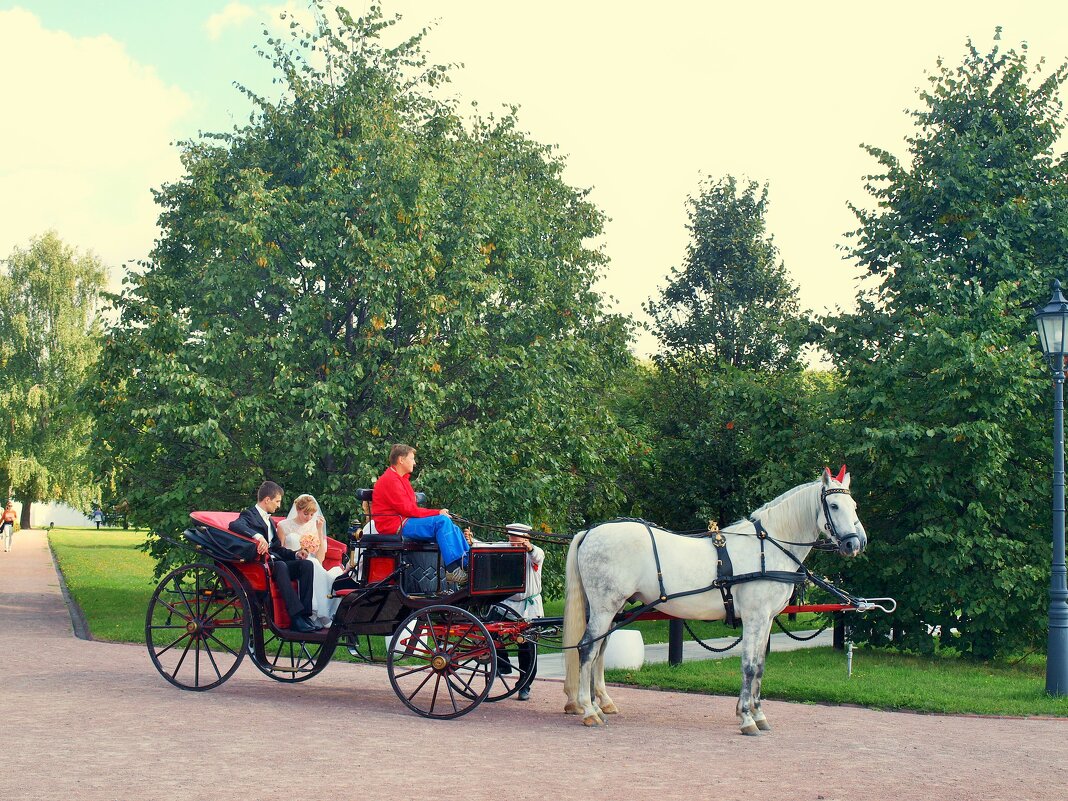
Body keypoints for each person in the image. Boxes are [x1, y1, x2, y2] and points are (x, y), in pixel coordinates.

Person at [371, 444, 471, 585]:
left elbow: (410, 509)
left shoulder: (401, 479)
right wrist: (437, 512)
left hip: (404, 521)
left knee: (452, 527)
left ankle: (468, 563)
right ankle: (452, 569)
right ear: (401, 460)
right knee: (441, 521)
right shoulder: (390, 480)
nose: (414, 462)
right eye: (412, 459)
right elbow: (409, 510)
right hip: (395, 525)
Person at [230, 480, 321, 633]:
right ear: (267, 500)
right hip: (260, 565)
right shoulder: (249, 514)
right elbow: (235, 525)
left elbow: (277, 548)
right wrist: (258, 536)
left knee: (306, 565)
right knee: (281, 565)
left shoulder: (270, 520)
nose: (279, 505)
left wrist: (296, 554)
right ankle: (295, 617)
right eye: (277, 501)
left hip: (275, 562)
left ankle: (306, 615)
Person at [278, 494, 344, 628]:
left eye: (312, 514)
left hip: (311, 563)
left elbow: (320, 558)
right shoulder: (283, 526)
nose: (308, 518)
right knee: (311, 564)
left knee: (314, 563)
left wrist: (319, 531)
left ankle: (322, 613)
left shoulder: (314, 527)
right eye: (305, 513)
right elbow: (279, 551)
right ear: (298, 510)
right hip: (292, 562)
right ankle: (319, 614)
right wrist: (296, 554)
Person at [500, 523, 544, 700]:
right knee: (488, 633)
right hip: (506, 605)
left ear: (527, 539)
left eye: (519, 542)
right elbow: (486, 546)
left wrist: (530, 548)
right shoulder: (506, 548)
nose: (514, 545)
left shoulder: (535, 552)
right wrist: (471, 540)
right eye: (512, 541)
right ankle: (502, 664)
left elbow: (537, 556)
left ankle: (525, 684)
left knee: (527, 647)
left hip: (529, 608)